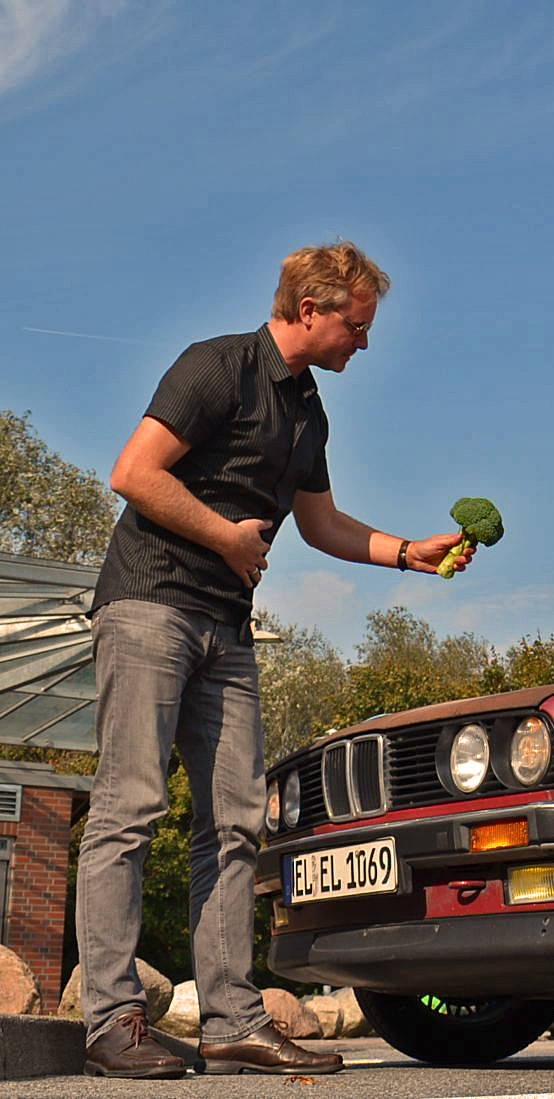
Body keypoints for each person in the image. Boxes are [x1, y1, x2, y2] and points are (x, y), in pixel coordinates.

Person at [78, 241, 473, 1078]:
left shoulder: (309, 414)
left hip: (226, 627)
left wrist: (410, 553)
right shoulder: (216, 366)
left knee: (235, 821)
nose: (363, 343)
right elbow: (132, 472)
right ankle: (113, 1019)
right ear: (309, 310)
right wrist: (225, 535)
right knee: (131, 806)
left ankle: (230, 1020)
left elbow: (322, 524)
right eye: (356, 327)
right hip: (150, 605)